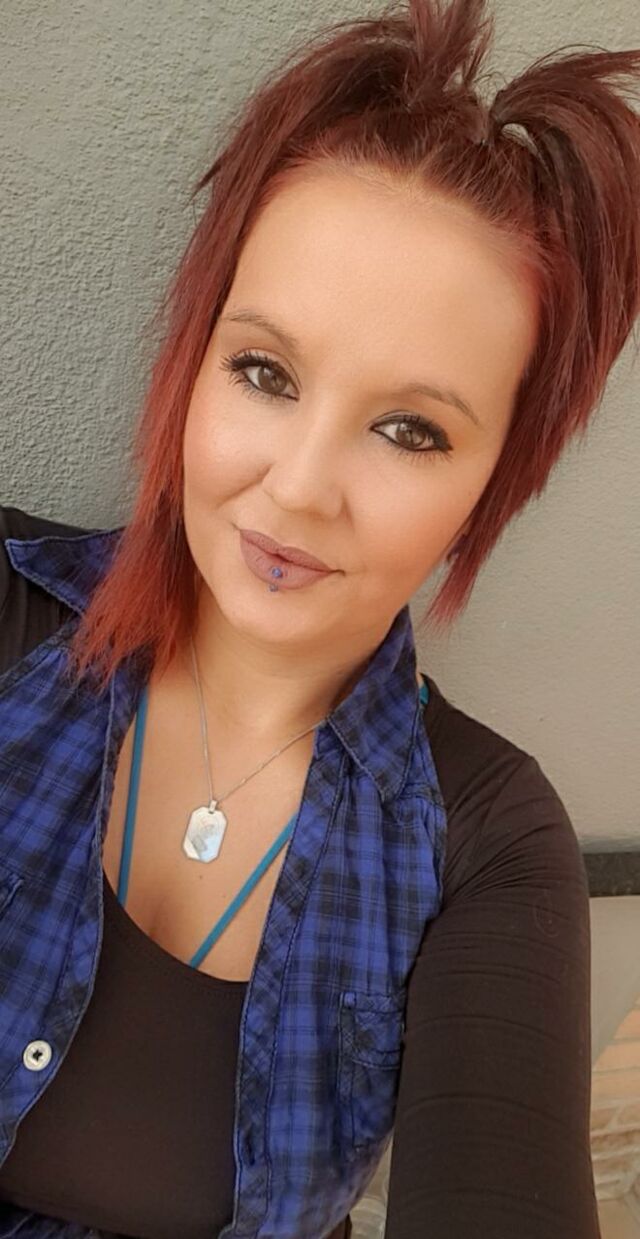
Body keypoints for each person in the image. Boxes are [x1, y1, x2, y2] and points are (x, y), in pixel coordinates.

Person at [1, 0, 638, 1235]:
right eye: (264, 372)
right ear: (193, 363)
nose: (297, 487)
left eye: (409, 430)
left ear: (491, 484)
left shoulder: (486, 847)